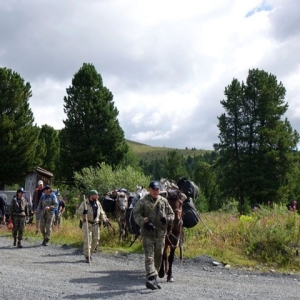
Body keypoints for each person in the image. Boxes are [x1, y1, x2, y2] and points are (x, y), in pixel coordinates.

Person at [133, 180, 174, 290]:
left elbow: (172, 214)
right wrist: (144, 222)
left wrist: (167, 219)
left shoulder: (163, 201)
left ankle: (154, 278)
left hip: (161, 234)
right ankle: (151, 278)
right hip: (148, 234)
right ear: (149, 189)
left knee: (158, 256)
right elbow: (136, 214)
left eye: (158, 190)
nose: (156, 191)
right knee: (149, 256)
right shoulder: (142, 201)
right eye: (154, 189)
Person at [76, 190, 109, 263]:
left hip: (96, 224)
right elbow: (78, 213)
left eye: (97, 195)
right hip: (87, 224)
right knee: (88, 240)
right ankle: (87, 256)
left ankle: (90, 253)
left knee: (96, 240)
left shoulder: (98, 203)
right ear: (91, 196)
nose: (97, 196)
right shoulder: (85, 203)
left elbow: (102, 213)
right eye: (96, 195)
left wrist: (105, 220)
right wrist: (83, 212)